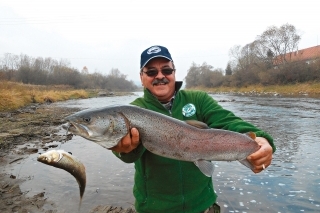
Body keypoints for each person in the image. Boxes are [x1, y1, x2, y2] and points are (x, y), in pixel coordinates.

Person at [110, 45, 276, 213]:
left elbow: (228, 121)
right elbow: (126, 154)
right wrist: (124, 151)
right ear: (141, 77)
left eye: (166, 70)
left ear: (174, 72)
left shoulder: (198, 99)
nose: (160, 76)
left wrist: (261, 140)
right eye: (151, 72)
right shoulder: (132, 111)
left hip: (203, 206)